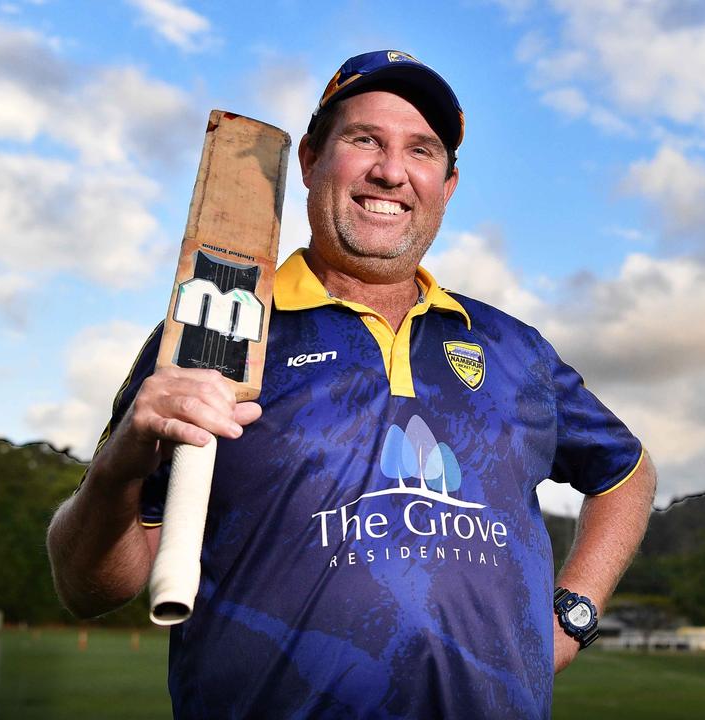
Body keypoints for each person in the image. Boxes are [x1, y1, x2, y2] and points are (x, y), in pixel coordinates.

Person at [47, 49, 656, 719]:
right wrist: (117, 468)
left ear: (447, 185)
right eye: (364, 139)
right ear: (309, 159)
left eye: (420, 151)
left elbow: (626, 475)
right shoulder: (217, 331)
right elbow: (92, 587)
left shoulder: (514, 350)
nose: (391, 171)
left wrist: (571, 612)